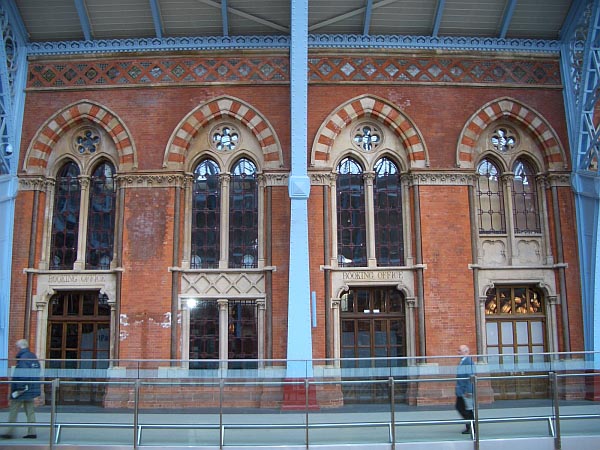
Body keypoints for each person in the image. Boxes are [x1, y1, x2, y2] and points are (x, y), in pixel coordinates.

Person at [1, 339, 41, 439]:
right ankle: (32, 431)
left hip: (21, 390)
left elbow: (22, 375)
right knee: (30, 411)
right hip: (30, 389)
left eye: (16, 347)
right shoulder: (32, 356)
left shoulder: (22, 358)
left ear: (19, 347)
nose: (15, 349)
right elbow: (37, 371)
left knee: (14, 410)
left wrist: (19, 389)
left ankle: (9, 431)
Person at [455, 344, 475, 435]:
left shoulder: (468, 361)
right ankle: (470, 426)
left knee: (466, 409)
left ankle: (471, 427)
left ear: (466, 352)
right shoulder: (463, 361)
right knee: (462, 408)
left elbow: (471, 376)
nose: (458, 352)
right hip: (461, 390)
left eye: (460, 350)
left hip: (465, 391)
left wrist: (469, 390)